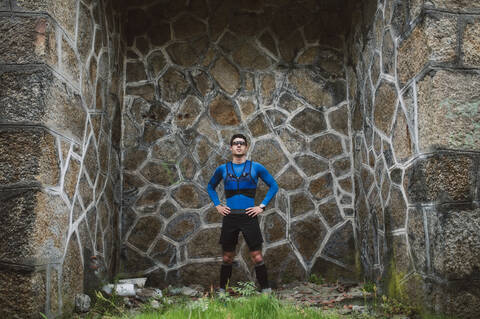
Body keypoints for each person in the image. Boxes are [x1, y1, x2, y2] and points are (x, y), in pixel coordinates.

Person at [207, 134, 279, 293]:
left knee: (257, 257)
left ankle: (266, 292)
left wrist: (262, 206)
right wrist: (218, 205)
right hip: (230, 217)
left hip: (249, 217)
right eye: (235, 143)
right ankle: (222, 293)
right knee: (227, 257)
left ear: (246, 147)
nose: (238, 146)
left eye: (241, 143)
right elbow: (210, 187)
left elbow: (274, 185)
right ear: (231, 147)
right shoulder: (223, 169)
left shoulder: (256, 167)